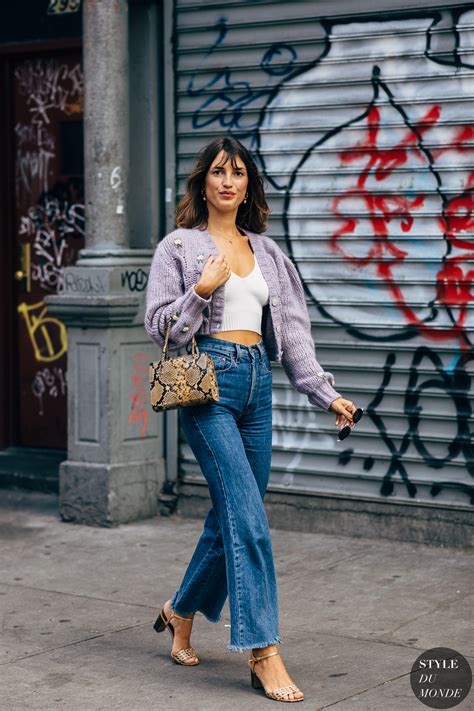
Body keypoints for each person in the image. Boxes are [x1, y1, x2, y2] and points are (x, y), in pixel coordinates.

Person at [145, 136, 359, 703]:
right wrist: (200, 291)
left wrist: (324, 394)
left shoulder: (268, 253)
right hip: (207, 385)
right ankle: (263, 652)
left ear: (248, 186)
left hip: (257, 385)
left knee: (231, 517)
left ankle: (180, 610)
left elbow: (294, 338)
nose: (227, 181)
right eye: (218, 172)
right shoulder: (178, 247)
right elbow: (158, 326)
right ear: (203, 182)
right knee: (249, 520)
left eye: (237, 173)